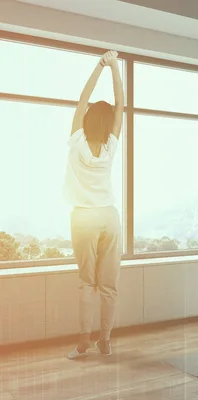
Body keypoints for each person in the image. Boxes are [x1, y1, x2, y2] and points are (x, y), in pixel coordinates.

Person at [65, 50, 124, 359]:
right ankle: (106, 340)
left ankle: (84, 342)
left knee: (87, 283)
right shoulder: (111, 145)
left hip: (84, 218)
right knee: (109, 284)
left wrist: (99, 65)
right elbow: (120, 104)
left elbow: (83, 97)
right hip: (110, 218)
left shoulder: (76, 139)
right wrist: (115, 66)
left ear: (87, 117)